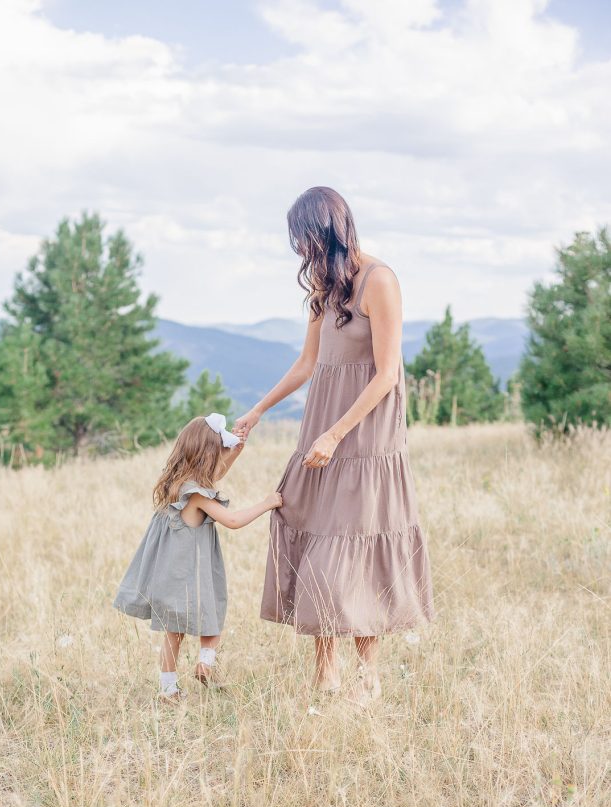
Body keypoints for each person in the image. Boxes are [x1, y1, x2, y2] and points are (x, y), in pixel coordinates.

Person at [235, 187, 434, 706]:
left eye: (303, 238)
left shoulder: (380, 280)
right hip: (322, 431)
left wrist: (336, 433)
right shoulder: (325, 288)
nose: (299, 250)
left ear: (325, 231)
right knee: (315, 543)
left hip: (365, 438)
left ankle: (369, 675)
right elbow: (306, 365)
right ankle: (325, 676)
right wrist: (259, 410)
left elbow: (387, 374)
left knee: (356, 552)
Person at [114, 413, 282, 702]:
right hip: (192, 571)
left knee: (173, 632)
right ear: (207, 455)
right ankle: (205, 662)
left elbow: (214, 476)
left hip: (167, 571)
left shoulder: (176, 484)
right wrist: (267, 504)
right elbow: (232, 520)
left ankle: (169, 689)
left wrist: (235, 452)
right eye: (218, 453)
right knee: (213, 614)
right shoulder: (198, 496)